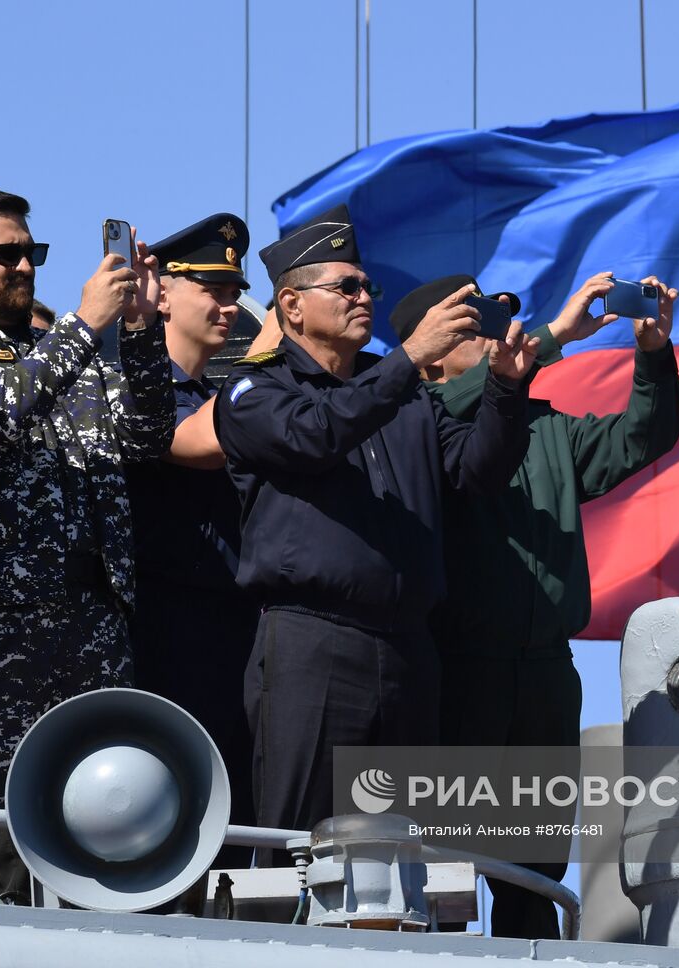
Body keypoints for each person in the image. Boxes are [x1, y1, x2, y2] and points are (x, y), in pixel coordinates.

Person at [213, 204, 538, 846]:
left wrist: (504, 390)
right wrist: (410, 357)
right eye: (347, 287)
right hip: (312, 645)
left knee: (409, 858)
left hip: (409, 650)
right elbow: (316, 436)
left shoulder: (403, 393)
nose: (364, 298)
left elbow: (474, 472)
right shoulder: (255, 392)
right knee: (296, 848)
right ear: (293, 305)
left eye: (368, 287)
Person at [389, 270, 679, 940]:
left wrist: (654, 353)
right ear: (432, 353)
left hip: (546, 677)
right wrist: (554, 338)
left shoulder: (543, 427)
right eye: (475, 325)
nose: (498, 332)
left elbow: (643, 435)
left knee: (535, 876)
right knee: (447, 870)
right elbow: (441, 417)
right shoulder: (414, 423)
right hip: (463, 673)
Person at [0, 184, 174, 902]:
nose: (25, 268)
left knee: (92, 820)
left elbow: (148, 436)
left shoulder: (71, 351)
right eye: (7, 255)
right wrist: (87, 326)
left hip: (92, 628)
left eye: (33, 253)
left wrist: (144, 332)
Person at [126, 212, 261, 872]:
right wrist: (274, 375)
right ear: (165, 290)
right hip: (163, 634)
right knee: (164, 833)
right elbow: (187, 442)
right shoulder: (131, 384)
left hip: (231, 636)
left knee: (235, 836)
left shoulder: (219, 393)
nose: (230, 305)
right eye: (213, 288)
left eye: (235, 291)